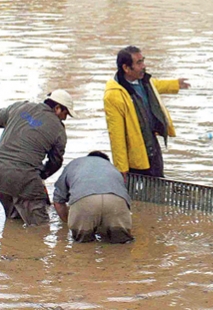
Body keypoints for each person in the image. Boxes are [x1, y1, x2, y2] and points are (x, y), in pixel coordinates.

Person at [0, 89, 77, 226]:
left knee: (13, 223)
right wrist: (42, 175)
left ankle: (9, 246)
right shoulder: (59, 130)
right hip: (25, 179)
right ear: (58, 108)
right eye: (65, 114)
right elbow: (56, 162)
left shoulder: (19, 107)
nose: (65, 119)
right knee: (40, 228)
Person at [103, 45, 190, 180]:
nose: (144, 66)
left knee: (158, 183)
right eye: (139, 63)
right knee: (139, 191)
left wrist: (176, 84)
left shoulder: (145, 81)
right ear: (126, 68)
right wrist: (121, 168)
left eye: (143, 60)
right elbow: (116, 135)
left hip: (152, 146)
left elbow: (157, 84)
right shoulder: (114, 95)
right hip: (136, 154)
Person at [53, 151, 134, 243]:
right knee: (121, 242)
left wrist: (68, 221)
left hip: (84, 199)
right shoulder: (113, 168)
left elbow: (58, 201)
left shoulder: (75, 164)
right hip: (116, 199)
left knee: (83, 245)